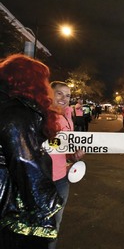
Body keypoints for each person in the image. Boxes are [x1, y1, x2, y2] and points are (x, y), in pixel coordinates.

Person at [0, 54, 63, 248]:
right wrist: (49, 208)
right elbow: (26, 164)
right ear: (31, 82)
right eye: (44, 79)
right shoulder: (17, 115)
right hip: (15, 219)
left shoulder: (10, 110)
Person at [48, 81, 85, 249]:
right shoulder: (41, 114)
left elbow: (66, 147)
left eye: (68, 95)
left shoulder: (67, 114)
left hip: (62, 178)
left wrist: (74, 154)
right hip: (41, 177)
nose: (64, 98)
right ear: (49, 93)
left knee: (56, 222)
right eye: (59, 93)